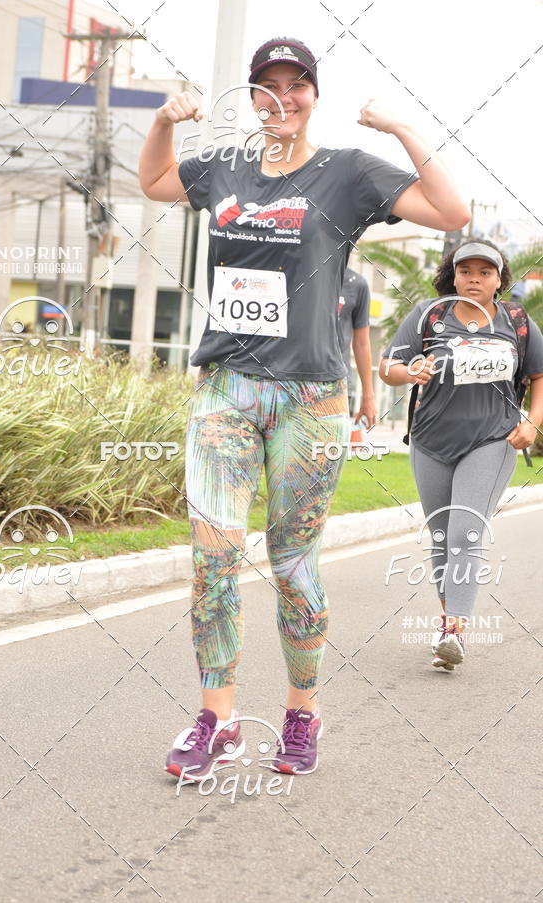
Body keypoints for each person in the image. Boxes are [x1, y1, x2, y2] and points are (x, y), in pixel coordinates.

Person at [139, 35, 470, 777]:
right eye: (268, 88)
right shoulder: (223, 166)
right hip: (225, 386)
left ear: (314, 95)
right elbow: (155, 181)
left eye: (296, 86)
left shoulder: (347, 172)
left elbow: (452, 209)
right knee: (214, 560)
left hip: (310, 398)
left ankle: (301, 712)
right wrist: (164, 121)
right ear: (254, 97)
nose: (281, 99)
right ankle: (216, 718)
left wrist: (402, 129)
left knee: (293, 566)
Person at [379, 239, 543, 671]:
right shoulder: (429, 316)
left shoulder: (517, 321)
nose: (474, 279)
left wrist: (532, 421)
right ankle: (447, 620)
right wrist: (409, 370)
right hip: (431, 442)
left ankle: (454, 631)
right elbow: (387, 367)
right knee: (439, 538)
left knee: (465, 535)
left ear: (498, 279)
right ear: (452, 275)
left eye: (484, 272)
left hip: (492, 440)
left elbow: (539, 374)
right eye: (465, 270)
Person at [336, 267, 376, 427]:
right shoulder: (298, 271)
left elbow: (362, 343)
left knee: (329, 450)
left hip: (336, 385)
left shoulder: (357, 284)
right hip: (290, 381)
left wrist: (368, 396)